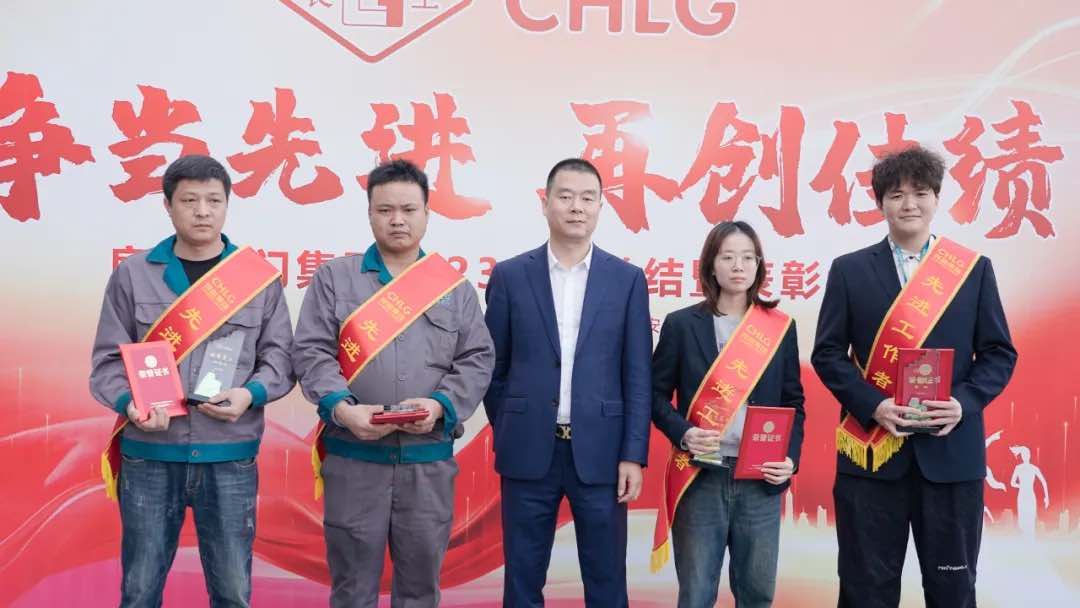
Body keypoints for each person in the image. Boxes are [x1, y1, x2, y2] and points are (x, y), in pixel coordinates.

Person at [811, 146, 1017, 608]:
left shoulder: (972, 270)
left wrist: (963, 403)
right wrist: (873, 405)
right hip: (871, 455)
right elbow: (827, 354)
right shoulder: (849, 270)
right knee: (865, 590)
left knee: (953, 591)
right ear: (880, 202)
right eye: (897, 195)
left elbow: (999, 353)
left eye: (920, 193)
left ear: (936, 199)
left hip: (951, 457)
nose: (909, 204)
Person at [90, 154, 295, 607]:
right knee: (139, 590)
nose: (203, 211)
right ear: (168, 205)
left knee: (233, 592)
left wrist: (249, 394)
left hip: (229, 457)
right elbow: (106, 363)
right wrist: (129, 405)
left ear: (227, 205)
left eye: (214, 201)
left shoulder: (256, 279)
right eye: (189, 200)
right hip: (149, 456)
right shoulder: (133, 275)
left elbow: (280, 359)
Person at [292, 159, 494, 607]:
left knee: (420, 591)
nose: (397, 220)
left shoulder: (452, 288)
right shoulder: (334, 279)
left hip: (427, 463)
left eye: (408, 209)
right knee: (352, 590)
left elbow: (478, 359)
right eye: (385, 210)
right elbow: (311, 352)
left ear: (427, 213)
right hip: (353, 459)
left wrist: (440, 406)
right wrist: (344, 409)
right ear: (369, 214)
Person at [483, 157, 652, 607]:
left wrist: (633, 454)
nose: (576, 207)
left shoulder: (627, 280)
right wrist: (513, 423)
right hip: (527, 451)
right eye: (565, 196)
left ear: (600, 207)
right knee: (522, 580)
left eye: (587, 198)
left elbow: (638, 375)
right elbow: (493, 367)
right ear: (545, 203)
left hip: (602, 454)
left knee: (606, 582)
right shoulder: (510, 276)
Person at [651, 220, 805, 608]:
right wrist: (683, 431)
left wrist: (790, 460)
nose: (739, 266)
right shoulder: (682, 325)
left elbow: (794, 403)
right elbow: (653, 396)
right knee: (696, 594)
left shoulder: (779, 328)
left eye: (748, 257)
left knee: (757, 594)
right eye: (728, 257)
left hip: (760, 478)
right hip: (701, 477)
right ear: (711, 265)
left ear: (759, 266)